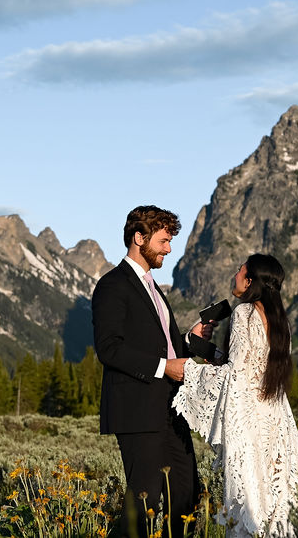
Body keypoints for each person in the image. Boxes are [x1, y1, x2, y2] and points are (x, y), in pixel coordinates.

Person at [92, 205, 213, 538]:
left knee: (185, 496)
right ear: (138, 238)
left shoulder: (154, 289)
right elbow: (109, 349)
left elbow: (167, 350)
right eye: (163, 241)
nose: (169, 249)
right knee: (144, 503)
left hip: (171, 411)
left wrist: (190, 340)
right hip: (137, 411)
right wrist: (164, 367)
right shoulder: (113, 285)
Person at [172, 253, 298, 537]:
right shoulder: (280, 322)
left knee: (250, 497)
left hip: (248, 422)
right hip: (275, 420)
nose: (235, 274)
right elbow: (249, 369)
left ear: (249, 281)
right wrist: (206, 351)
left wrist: (189, 370)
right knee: (274, 499)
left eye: (240, 270)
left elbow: (235, 378)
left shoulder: (243, 312)